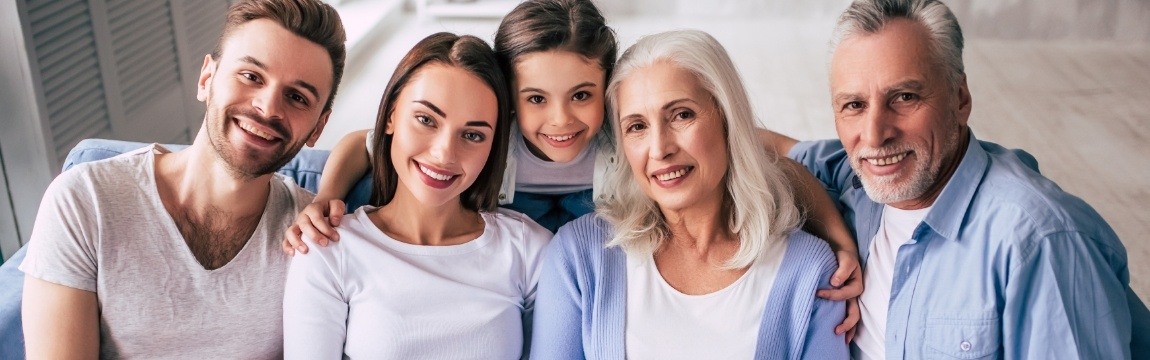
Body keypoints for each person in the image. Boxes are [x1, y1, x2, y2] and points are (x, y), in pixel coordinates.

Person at [285, 0, 866, 335]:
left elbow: (776, 154)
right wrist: (323, 195)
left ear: (607, 91)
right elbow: (363, 141)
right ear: (507, 97)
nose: (561, 121)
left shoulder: (629, 133)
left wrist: (838, 233)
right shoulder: (484, 139)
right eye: (535, 99)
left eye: (582, 95)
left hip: (599, 242)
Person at [764, 0, 1150, 358]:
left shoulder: (1038, 243)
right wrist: (838, 235)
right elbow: (742, 143)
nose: (874, 134)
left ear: (960, 99)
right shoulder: (854, 177)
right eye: (854, 105)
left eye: (904, 98)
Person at [18, 0, 345, 357]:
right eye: (251, 76)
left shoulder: (312, 238)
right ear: (207, 79)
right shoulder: (85, 200)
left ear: (319, 127)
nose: (268, 107)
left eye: (297, 97)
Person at [530, 29, 848, 359]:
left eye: (682, 114)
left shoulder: (808, 269)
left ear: (728, 119)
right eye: (637, 126)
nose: (660, 149)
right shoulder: (580, 256)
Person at [281, 32, 551, 359]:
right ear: (392, 115)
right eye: (426, 119)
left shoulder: (529, 251)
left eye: (473, 135)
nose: (444, 153)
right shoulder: (328, 249)